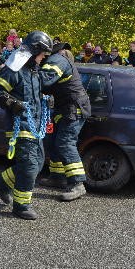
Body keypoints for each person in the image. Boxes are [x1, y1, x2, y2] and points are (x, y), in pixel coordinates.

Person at [0, 31, 53, 220]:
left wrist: (47, 101)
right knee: (30, 165)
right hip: (21, 125)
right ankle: (21, 205)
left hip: (35, 123)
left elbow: (33, 96)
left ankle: (2, 183)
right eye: (43, 54)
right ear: (34, 51)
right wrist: (11, 103)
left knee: (38, 162)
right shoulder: (14, 69)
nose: (44, 58)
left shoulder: (33, 70)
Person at [39, 42, 91, 202]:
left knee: (65, 143)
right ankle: (57, 176)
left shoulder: (58, 60)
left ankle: (77, 184)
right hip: (64, 109)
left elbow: (43, 81)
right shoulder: (59, 61)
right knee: (53, 142)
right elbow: (47, 87)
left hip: (73, 108)